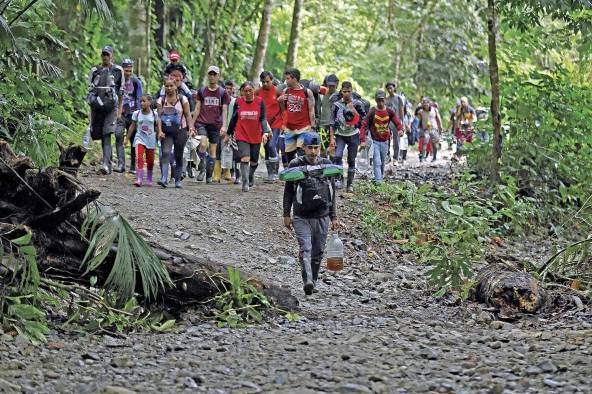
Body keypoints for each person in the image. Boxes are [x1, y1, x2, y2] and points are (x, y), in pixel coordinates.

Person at [282, 131, 338, 295]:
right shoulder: (295, 164)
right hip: (301, 216)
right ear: (303, 148)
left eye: (316, 148)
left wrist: (333, 216)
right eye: (310, 148)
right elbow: (288, 191)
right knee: (305, 248)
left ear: (320, 148)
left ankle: (312, 280)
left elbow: (332, 192)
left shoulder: (327, 165)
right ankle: (307, 280)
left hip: (322, 215)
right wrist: (286, 214)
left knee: (318, 251)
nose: (313, 152)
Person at [86, 46, 124, 175]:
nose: (105, 57)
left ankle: (106, 164)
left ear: (111, 56)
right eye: (103, 54)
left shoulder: (118, 71)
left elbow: (121, 93)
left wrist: (119, 111)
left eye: (107, 54)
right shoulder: (95, 70)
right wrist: (90, 113)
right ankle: (108, 161)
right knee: (98, 134)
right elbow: (89, 92)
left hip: (111, 108)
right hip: (96, 108)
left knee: (107, 134)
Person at [227, 81, 270, 192]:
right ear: (242, 92)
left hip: (255, 134)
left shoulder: (260, 102)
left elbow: (263, 118)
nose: (247, 93)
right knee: (245, 158)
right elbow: (234, 119)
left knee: (254, 160)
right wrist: (228, 133)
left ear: (254, 90)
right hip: (241, 134)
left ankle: (250, 175)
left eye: (250, 91)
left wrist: (266, 131)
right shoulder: (238, 102)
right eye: (245, 91)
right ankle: (245, 182)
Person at [193, 65, 230, 183]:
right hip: (202, 122)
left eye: (215, 74)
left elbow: (224, 110)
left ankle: (209, 175)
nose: (212, 76)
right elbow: (197, 108)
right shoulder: (202, 90)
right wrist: (191, 124)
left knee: (213, 151)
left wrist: (224, 126)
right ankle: (202, 169)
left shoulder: (223, 93)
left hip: (216, 124)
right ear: (208, 76)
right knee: (203, 144)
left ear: (218, 76)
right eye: (210, 74)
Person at [156, 78, 194, 188]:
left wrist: (190, 127)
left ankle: (178, 180)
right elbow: (159, 117)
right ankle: (164, 178)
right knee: (166, 152)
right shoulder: (161, 101)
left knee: (178, 155)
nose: (169, 88)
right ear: (164, 87)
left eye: (171, 86)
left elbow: (187, 115)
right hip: (166, 132)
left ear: (175, 86)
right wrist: (159, 131)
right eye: (167, 86)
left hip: (180, 131)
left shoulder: (183, 99)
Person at [329, 81, 366, 192]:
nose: (346, 94)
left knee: (351, 159)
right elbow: (332, 122)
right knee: (337, 156)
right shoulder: (336, 105)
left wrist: (353, 108)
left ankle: (350, 184)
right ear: (341, 91)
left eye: (348, 91)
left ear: (351, 91)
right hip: (340, 134)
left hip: (353, 134)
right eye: (344, 91)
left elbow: (363, 121)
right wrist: (331, 138)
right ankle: (339, 179)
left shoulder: (358, 104)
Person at [360, 90, 403, 183]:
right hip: (375, 141)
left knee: (383, 161)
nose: (380, 102)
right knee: (377, 161)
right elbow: (364, 125)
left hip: (385, 141)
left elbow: (397, 121)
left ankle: (380, 177)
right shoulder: (372, 111)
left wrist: (400, 129)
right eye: (378, 100)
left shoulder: (389, 111)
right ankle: (379, 181)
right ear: (375, 100)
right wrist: (362, 140)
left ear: (385, 100)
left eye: (382, 100)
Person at [278, 68, 315, 163]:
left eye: (288, 78)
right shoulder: (286, 91)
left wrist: (313, 126)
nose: (286, 81)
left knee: (302, 152)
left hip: (304, 127)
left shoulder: (307, 92)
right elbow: (284, 111)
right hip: (289, 128)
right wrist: (281, 102)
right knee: (289, 154)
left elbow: (311, 110)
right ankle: (294, 175)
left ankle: (303, 174)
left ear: (294, 79)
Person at [115, 59, 143, 174]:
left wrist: (138, 117)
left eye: (130, 71)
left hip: (133, 115)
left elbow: (140, 99)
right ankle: (121, 164)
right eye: (126, 70)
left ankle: (132, 165)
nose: (128, 73)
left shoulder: (136, 82)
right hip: (120, 114)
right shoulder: (117, 81)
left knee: (133, 140)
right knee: (118, 135)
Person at [127, 95, 160, 187]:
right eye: (140, 101)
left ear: (149, 102)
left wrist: (159, 136)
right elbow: (132, 126)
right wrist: (126, 139)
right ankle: (139, 178)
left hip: (151, 139)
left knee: (150, 161)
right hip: (139, 138)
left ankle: (149, 178)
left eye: (144, 101)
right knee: (139, 158)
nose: (142, 103)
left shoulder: (154, 114)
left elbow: (157, 127)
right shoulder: (136, 113)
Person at [257, 71, 283, 182]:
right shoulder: (258, 92)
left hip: (276, 122)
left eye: (267, 81)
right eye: (263, 82)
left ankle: (274, 172)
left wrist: (284, 122)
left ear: (271, 80)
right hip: (264, 124)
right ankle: (270, 174)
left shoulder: (277, 91)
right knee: (267, 146)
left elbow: (283, 108)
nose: (265, 84)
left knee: (272, 145)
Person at [417, 97, 443, 162]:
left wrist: (440, 127)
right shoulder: (421, 112)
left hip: (434, 128)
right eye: (424, 104)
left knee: (435, 144)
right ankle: (423, 157)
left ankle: (434, 157)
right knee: (425, 142)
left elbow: (438, 119)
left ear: (429, 104)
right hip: (426, 129)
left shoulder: (434, 110)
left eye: (427, 103)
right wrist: (419, 128)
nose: (425, 105)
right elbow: (420, 120)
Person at [385, 82, 406, 162]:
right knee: (386, 138)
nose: (390, 90)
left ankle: (395, 158)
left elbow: (401, 111)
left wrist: (403, 123)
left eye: (391, 88)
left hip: (397, 121)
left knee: (396, 140)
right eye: (388, 88)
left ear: (394, 88)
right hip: (388, 122)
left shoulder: (399, 98)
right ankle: (387, 156)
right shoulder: (386, 99)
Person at [319, 74, 339, 157]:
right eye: (329, 85)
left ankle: (332, 167)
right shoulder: (322, 93)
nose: (331, 88)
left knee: (333, 151)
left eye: (333, 86)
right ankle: (322, 167)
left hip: (335, 127)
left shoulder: (339, 96)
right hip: (323, 125)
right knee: (322, 149)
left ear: (337, 84)